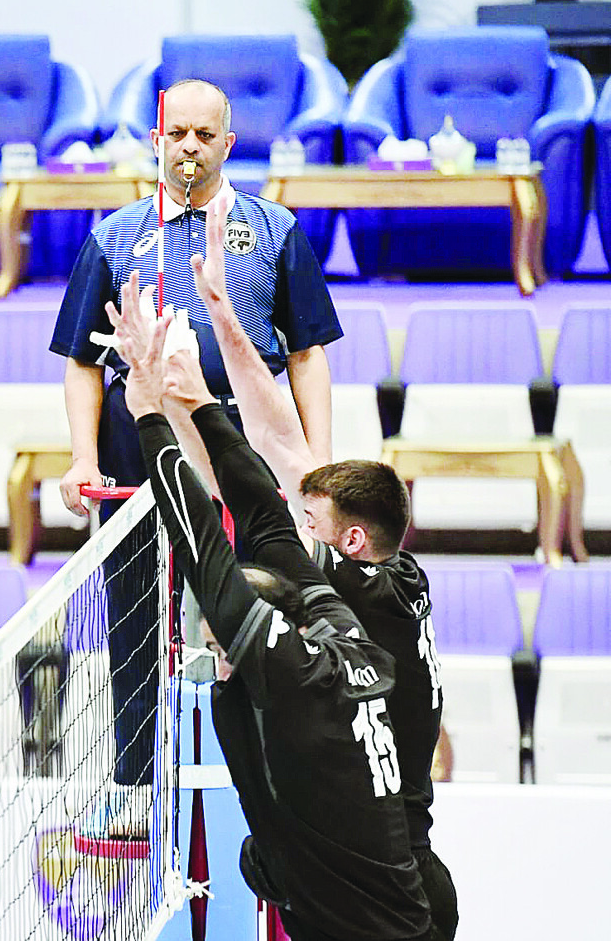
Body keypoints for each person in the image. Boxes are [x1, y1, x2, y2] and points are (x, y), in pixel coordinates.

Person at [110, 266, 434, 941]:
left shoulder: (325, 646)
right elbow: (263, 516)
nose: (299, 528)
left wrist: (151, 408)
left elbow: (214, 544)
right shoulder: (346, 620)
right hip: (371, 880)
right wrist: (194, 397)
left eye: (222, 641)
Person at [49, 77, 341, 824]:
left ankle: (281, 784)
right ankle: (138, 790)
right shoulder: (112, 236)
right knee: (136, 617)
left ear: (227, 143)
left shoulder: (275, 229)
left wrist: (317, 468)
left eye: (204, 135)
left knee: (267, 610)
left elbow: (306, 354)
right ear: (157, 139)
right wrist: (85, 459)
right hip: (139, 438)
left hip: (244, 438)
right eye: (176, 133)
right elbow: (82, 359)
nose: (189, 147)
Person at [183, 198, 458, 940]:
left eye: (317, 525)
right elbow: (282, 444)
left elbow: (273, 439)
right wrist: (223, 315)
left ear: (356, 539)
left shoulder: (359, 587)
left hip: (381, 879)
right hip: (393, 862)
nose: (301, 532)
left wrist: (184, 386)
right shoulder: (397, 577)